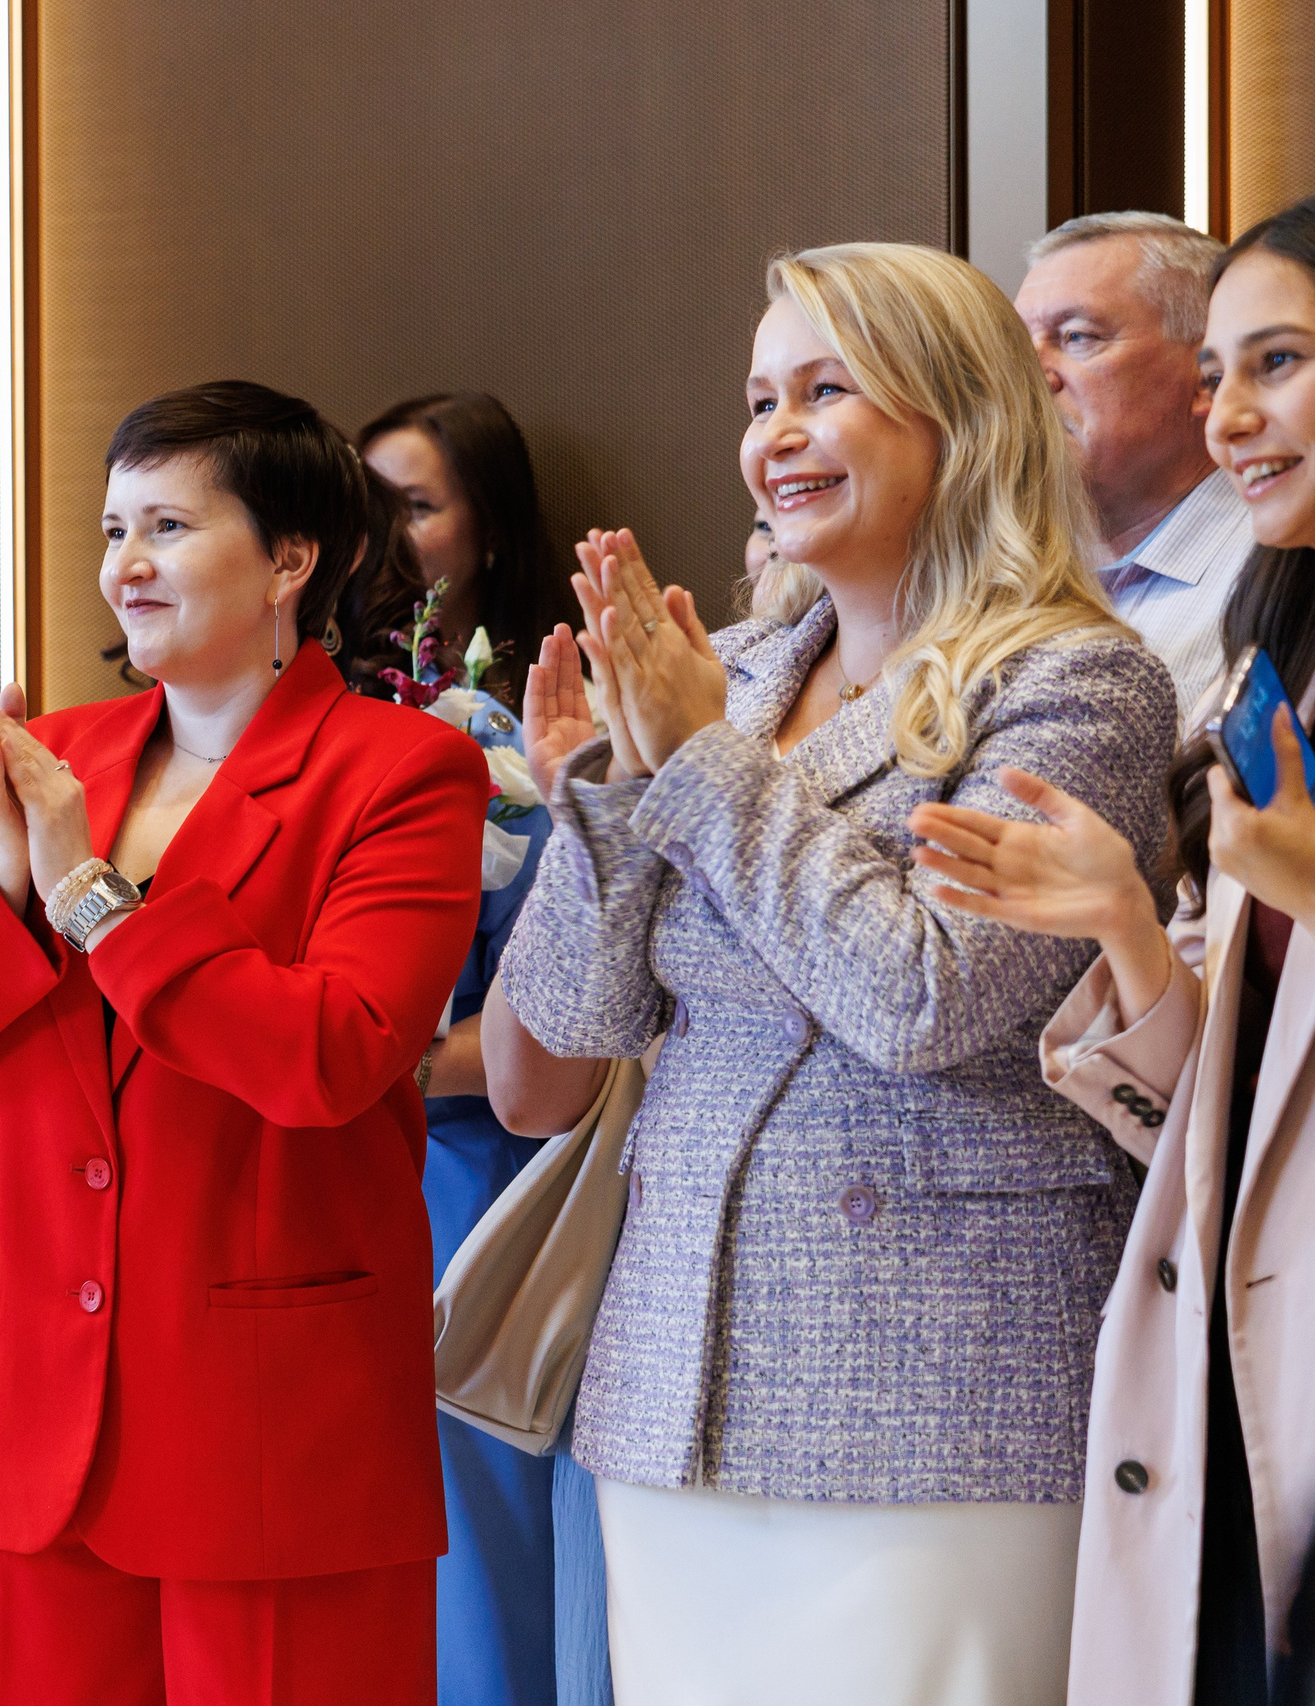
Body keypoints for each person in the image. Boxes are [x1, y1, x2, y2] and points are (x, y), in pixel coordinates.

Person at [501, 242, 1177, 1704]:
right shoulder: (729, 670)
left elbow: (922, 999)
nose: (777, 434)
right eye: (761, 400)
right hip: (677, 1378)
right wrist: (607, 780)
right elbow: (560, 1034)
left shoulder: (1076, 682)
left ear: (960, 415)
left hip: (942, 1398)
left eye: (826, 389)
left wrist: (702, 758)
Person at [0, 380, 487, 1703]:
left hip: (270, 1426)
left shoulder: (399, 771)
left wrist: (93, 895)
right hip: (46, 1419)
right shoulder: (54, 761)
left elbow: (334, 1053)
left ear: (291, 558)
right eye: (112, 529)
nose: (124, 565)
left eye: (168, 526)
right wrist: (8, 882)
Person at [899, 194, 1315, 1706]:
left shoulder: (1138, 659)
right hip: (1244, 1324)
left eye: (1276, 363)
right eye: (1218, 375)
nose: (1233, 416)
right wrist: (1128, 924)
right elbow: (1227, 1094)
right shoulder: (1280, 639)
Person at [362, 390, 592, 1706]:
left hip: (466, 1177)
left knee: (471, 1571)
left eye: (414, 504)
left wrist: (343, 1055)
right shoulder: (285, 717)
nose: (380, 535)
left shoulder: (514, 743)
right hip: (313, 1176)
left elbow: (563, 1018)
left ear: (488, 533)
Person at [1019, 212, 1255, 717]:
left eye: (1077, 336)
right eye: (1019, 347)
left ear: (1207, 377)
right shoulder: (994, 567)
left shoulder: (1278, 573)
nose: (1029, 378)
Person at [361, 393, 580, 709]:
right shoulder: (328, 675)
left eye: (417, 507)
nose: (381, 533)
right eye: (370, 507)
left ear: (491, 526)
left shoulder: (574, 712)